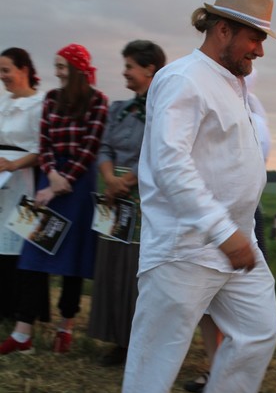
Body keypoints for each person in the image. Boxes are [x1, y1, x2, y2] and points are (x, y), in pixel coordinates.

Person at [115, 0, 276, 393]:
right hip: (186, 246)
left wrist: (236, 234)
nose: (260, 50)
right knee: (156, 357)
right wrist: (222, 231)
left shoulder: (236, 84)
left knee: (258, 332)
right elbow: (170, 164)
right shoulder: (183, 78)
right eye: (254, 38)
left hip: (237, 244)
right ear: (223, 29)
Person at [0, 44, 108, 355]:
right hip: (49, 179)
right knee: (32, 253)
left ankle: (66, 325)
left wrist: (64, 180)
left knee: (72, 259)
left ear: (77, 68)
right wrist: (50, 174)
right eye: (56, 66)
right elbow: (44, 141)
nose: (57, 72)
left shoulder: (98, 101)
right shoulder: (51, 99)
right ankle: (23, 333)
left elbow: (90, 146)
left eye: (62, 66)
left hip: (80, 182)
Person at [183, 69, 271, 393]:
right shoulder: (207, 106)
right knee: (206, 302)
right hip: (207, 213)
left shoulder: (253, 120)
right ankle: (215, 366)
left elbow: (246, 169)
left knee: (238, 298)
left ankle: (233, 371)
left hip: (237, 216)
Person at [88, 40, 166, 366]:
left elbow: (158, 153)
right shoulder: (119, 109)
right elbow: (104, 147)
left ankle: (137, 343)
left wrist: (128, 181)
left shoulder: (164, 111)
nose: (124, 72)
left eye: (129, 66)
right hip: (113, 195)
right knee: (112, 265)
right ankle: (116, 339)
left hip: (142, 195)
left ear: (149, 69)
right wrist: (110, 179)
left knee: (134, 268)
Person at [0, 48, 49, 325]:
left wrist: (13, 164)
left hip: (26, 179)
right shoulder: (3, 103)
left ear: (24, 70)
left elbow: (42, 149)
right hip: (2, 180)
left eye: (6, 70)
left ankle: (24, 310)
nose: (2, 76)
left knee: (21, 241)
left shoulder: (39, 105)